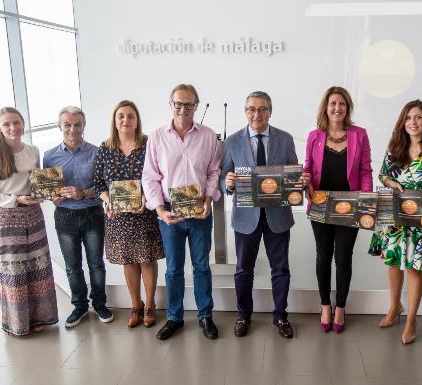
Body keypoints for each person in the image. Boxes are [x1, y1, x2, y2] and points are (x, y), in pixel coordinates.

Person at [142, 84, 222, 340]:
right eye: (178, 103)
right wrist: (160, 210)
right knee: (174, 269)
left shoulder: (209, 136)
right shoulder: (156, 136)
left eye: (189, 104)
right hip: (170, 214)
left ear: (196, 106)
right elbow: (150, 177)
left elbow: (214, 172)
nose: (183, 109)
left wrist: (209, 199)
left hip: (200, 213)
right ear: (170, 104)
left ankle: (205, 315)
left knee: (201, 267)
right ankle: (174, 317)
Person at [0, 107, 59, 336]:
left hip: (33, 215)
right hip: (6, 218)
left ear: (23, 123)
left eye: (16, 122)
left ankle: (38, 317)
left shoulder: (32, 150)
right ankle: (16, 323)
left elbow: (37, 184)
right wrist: (14, 200)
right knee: (13, 271)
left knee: (38, 268)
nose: (13, 128)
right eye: (7, 124)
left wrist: (47, 193)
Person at [368, 99, 422, 345]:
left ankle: (412, 318)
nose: (413, 122)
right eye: (409, 117)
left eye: (418, 117)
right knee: (393, 264)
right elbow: (382, 174)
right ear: (403, 121)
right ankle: (395, 307)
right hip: (394, 216)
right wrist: (394, 183)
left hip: (421, 218)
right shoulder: (395, 147)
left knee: (414, 268)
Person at [220, 91, 298, 339]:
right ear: (246, 112)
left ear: (270, 111)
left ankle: (281, 316)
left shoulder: (284, 139)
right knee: (244, 269)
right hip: (246, 218)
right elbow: (223, 179)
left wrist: (299, 180)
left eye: (262, 109)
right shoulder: (232, 141)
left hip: (278, 216)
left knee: (281, 269)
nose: (257, 114)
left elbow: (293, 174)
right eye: (252, 109)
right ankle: (243, 315)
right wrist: (228, 183)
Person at [302, 86, 373, 334]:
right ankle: (325, 305)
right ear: (326, 107)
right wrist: (307, 183)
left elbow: (365, 170)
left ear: (347, 107)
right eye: (332, 103)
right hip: (320, 205)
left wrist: (366, 199)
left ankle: (340, 307)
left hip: (349, 207)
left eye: (341, 104)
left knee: (343, 257)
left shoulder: (359, 135)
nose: (337, 108)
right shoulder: (314, 135)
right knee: (323, 256)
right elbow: (307, 168)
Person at [92, 100, 164, 328]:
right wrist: (109, 201)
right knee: (128, 261)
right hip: (117, 217)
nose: (126, 120)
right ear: (115, 120)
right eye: (121, 116)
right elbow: (97, 185)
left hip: (144, 213)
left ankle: (150, 304)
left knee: (147, 259)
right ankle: (136, 305)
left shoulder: (148, 144)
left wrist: (147, 198)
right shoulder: (104, 148)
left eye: (130, 116)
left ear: (137, 120)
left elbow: (159, 177)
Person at [43, 106, 113, 328]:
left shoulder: (97, 152)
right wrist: (53, 197)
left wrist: (82, 193)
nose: (73, 129)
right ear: (59, 126)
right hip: (65, 217)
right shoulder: (49, 156)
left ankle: (100, 304)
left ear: (84, 126)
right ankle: (80, 306)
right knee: (72, 266)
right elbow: (47, 190)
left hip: (93, 214)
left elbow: (104, 185)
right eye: (67, 124)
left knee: (96, 264)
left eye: (77, 124)